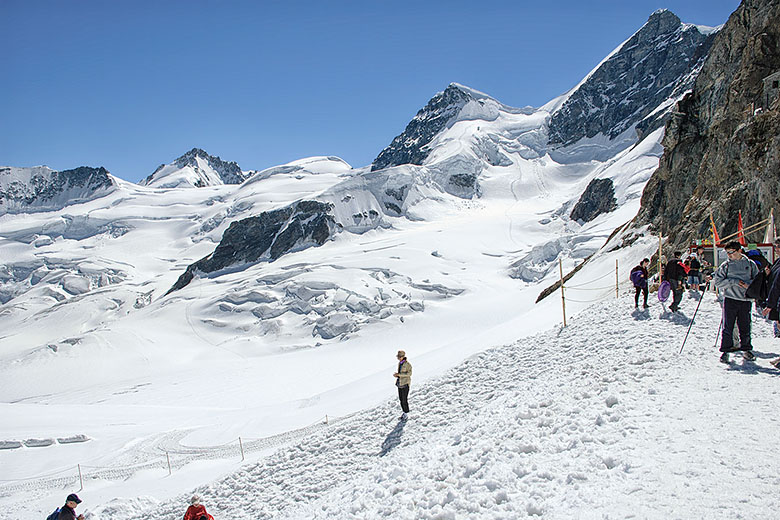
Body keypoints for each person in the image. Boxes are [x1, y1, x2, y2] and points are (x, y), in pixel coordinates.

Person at [712, 241, 759, 363]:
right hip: (730, 299)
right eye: (727, 253)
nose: (729, 255)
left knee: (745, 325)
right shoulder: (726, 265)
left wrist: (748, 286)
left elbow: (757, 280)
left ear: (739, 251)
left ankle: (746, 349)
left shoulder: (750, 264)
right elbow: (718, 282)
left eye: (731, 252)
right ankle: (726, 350)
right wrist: (734, 282)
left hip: (745, 299)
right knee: (728, 326)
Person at [761, 239, 780, 365]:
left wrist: (770, 304)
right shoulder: (778, 261)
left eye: (778, 247)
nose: (776, 249)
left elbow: (777, 285)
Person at [393, 350, 412, 419]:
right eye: (398, 357)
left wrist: (399, 375)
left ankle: (406, 413)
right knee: (401, 399)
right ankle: (404, 412)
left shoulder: (407, 364)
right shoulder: (400, 363)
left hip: (405, 383)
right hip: (400, 383)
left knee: (404, 399)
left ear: (403, 357)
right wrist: (397, 375)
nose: (399, 358)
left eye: (400, 356)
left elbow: (409, 374)